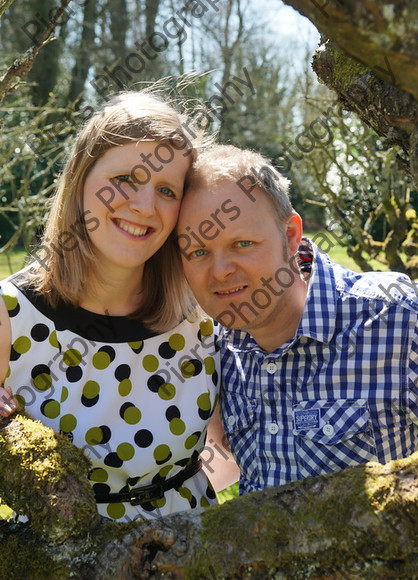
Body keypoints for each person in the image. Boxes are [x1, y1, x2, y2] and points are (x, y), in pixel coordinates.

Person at [0, 91, 222, 524]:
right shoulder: (9, 316)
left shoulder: (201, 315)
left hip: (199, 555)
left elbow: (230, 451)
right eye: (125, 178)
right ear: (80, 180)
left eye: (166, 189)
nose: (144, 206)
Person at [177, 143, 418, 495]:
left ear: (290, 236)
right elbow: (221, 465)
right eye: (198, 252)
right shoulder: (213, 348)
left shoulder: (398, 320)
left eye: (242, 244)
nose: (221, 272)